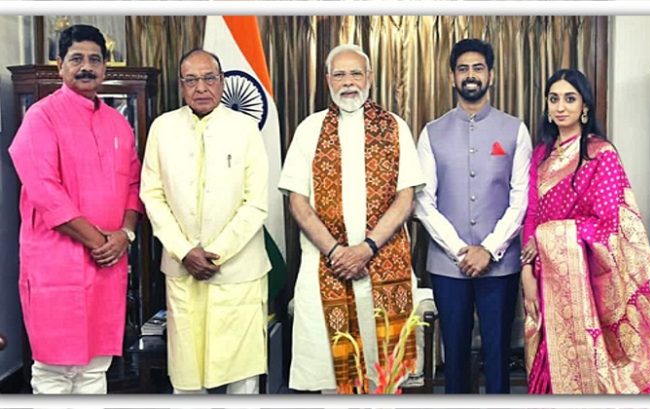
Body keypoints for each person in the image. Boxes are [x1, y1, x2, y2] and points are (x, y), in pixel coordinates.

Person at [520, 68, 650, 394]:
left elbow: (608, 223)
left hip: (586, 282)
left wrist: (548, 236)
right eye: (554, 99)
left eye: (570, 99)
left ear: (585, 106)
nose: (560, 107)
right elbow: (531, 215)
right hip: (544, 275)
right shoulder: (541, 154)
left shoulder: (600, 153)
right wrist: (526, 273)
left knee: (595, 367)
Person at [279, 44, 425, 393]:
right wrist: (335, 252)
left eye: (356, 73)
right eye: (340, 74)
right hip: (325, 267)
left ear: (369, 78)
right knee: (330, 379)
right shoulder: (310, 129)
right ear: (327, 80)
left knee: (383, 376)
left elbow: (406, 198)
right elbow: (297, 201)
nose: (348, 82)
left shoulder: (395, 127)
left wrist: (367, 248)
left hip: (383, 266)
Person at [8, 24, 142, 394]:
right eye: (77, 59)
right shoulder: (41, 117)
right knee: (54, 370)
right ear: (60, 65)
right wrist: (102, 242)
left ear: (105, 67)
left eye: (95, 60)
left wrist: (125, 235)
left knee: (95, 368)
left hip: (106, 266)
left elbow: (134, 187)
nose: (86, 67)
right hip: (57, 265)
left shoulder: (119, 124)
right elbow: (45, 192)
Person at [139, 48, 270, 394]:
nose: (201, 88)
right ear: (180, 85)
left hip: (238, 269)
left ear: (222, 82)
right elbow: (152, 195)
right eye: (191, 80)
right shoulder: (163, 128)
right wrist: (185, 251)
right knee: (187, 374)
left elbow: (256, 203)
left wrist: (215, 254)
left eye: (209, 78)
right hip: (183, 268)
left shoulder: (245, 129)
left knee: (242, 376)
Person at [414, 38, 532, 394]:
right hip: (448, 265)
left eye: (478, 68)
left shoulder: (515, 129)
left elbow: (521, 199)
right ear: (452, 77)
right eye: (463, 69)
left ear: (490, 75)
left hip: (501, 264)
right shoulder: (431, 132)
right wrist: (461, 251)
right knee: (455, 358)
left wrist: (489, 250)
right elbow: (423, 201)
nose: (470, 75)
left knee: (498, 357)